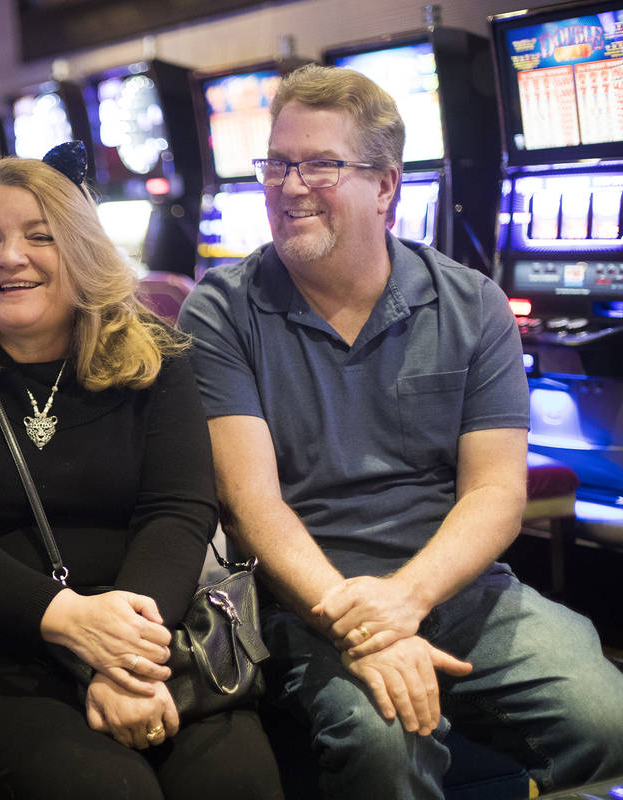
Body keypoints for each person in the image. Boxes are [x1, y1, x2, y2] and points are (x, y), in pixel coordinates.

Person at [180, 64, 623, 799]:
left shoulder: (471, 301)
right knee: (387, 741)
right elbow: (251, 507)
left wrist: (406, 599)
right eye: (277, 164)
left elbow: (494, 494)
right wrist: (362, 623)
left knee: (607, 717)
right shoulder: (220, 310)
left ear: (386, 186)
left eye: (321, 164)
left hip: (458, 588)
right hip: (307, 603)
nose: (290, 187)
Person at [0, 144, 283, 800]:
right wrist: (69, 620)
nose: (10, 257)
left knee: (239, 786)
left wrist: (125, 658)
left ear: (85, 248)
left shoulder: (161, 358)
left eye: (41, 235)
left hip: (151, 641)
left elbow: (178, 511)